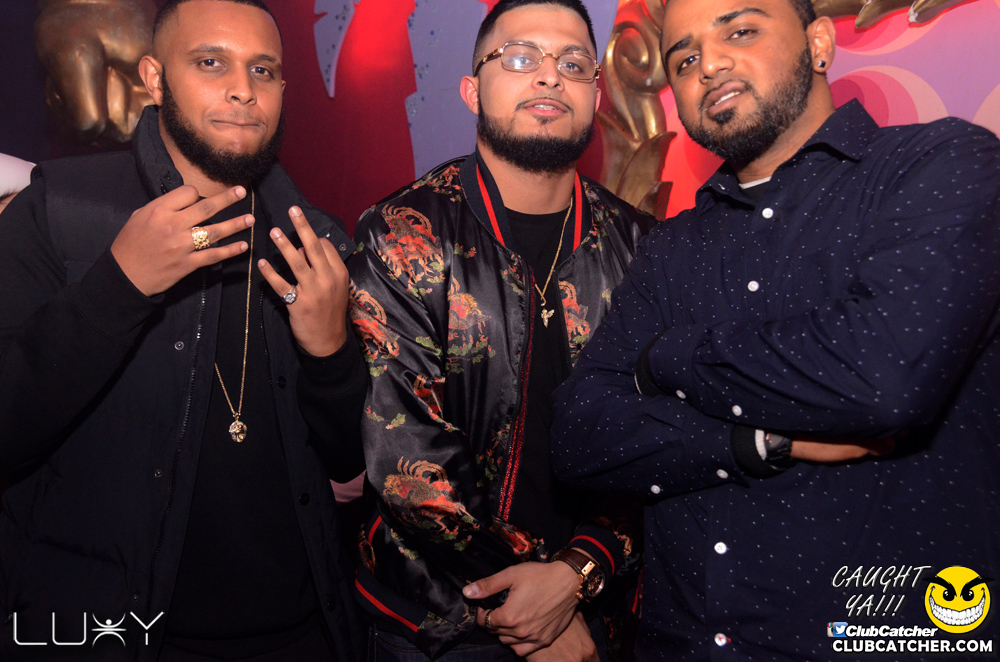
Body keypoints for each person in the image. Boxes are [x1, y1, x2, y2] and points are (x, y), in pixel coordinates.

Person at [552, 0, 1000, 659]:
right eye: (684, 58)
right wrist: (754, 442)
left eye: (741, 30)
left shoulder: (941, 163)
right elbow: (579, 432)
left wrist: (671, 356)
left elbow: (880, 379)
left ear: (819, 42)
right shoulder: (670, 248)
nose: (709, 65)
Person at [0, 1, 367, 659]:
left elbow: (348, 467)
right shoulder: (60, 209)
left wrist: (331, 354)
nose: (243, 89)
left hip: (300, 635)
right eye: (210, 62)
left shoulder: (316, 242)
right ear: (153, 77)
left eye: (263, 70)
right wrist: (119, 285)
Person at [347, 1, 655, 659]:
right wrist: (535, 600)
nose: (549, 76)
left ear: (596, 95)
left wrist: (578, 572)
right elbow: (407, 461)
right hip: (439, 622)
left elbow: (658, 434)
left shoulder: (641, 247)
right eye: (520, 57)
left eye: (573, 63)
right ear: (471, 90)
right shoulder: (402, 235)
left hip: (598, 609)